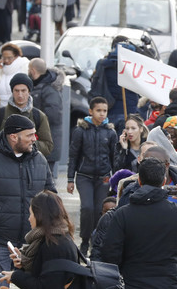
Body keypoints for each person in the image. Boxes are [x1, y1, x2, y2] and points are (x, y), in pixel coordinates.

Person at [102, 157, 177, 289]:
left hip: (133, 282)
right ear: (164, 181)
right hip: (168, 283)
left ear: (139, 181)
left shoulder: (122, 214)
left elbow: (110, 254)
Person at [0, 115, 56, 286]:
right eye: (29, 135)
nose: (34, 139)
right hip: (0, 241)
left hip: (32, 243)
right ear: (14, 137)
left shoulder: (39, 160)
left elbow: (51, 197)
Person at [0, 191, 80, 289]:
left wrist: (15, 276)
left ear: (40, 216)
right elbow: (43, 273)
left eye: (31, 214)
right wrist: (23, 265)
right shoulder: (55, 237)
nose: (29, 219)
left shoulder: (54, 245)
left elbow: (45, 286)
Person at [67, 97, 117, 254]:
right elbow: (73, 155)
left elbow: (113, 157)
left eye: (105, 111)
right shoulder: (80, 131)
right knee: (87, 208)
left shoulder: (110, 132)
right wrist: (69, 179)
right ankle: (84, 239)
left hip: (103, 177)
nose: (102, 114)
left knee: (99, 209)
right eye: (98, 110)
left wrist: (115, 179)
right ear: (91, 111)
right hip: (84, 175)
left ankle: (97, 239)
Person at [0, 73, 54, 158]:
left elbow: (48, 146)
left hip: (30, 164)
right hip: (3, 162)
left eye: (23, 90)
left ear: (29, 91)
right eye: (16, 91)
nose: (20, 95)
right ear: (12, 91)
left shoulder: (39, 116)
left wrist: (26, 143)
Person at [28, 58, 64, 171]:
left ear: (33, 70)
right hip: (41, 141)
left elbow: (53, 115)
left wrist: (34, 119)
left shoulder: (49, 89)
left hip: (47, 142)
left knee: (45, 178)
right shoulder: (39, 86)